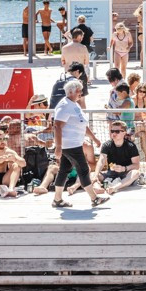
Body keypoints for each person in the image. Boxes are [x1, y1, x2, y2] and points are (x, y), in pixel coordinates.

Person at [51, 80, 108, 208]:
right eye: (79, 91)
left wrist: (94, 138)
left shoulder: (74, 104)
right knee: (83, 169)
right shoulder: (64, 105)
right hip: (70, 145)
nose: (81, 93)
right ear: (70, 92)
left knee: (64, 170)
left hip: (74, 144)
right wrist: (58, 147)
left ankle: (57, 199)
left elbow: (82, 124)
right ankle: (94, 198)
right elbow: (57, 126)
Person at [97, 121, 141, 193]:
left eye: (117, 131)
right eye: (112, 131)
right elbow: (101, 161)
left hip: (126, 174)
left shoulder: (131, 146)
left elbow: (136, 165)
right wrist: (95, 175)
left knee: (136, 173)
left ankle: (114, 188)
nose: (114, 133)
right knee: (92, 174)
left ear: (124, 132)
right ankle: (98, 188)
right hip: (110, 173)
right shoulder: (106, 145)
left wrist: (124, 168)